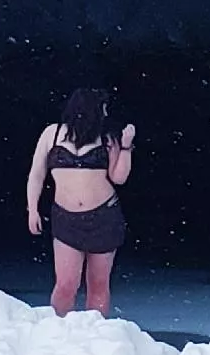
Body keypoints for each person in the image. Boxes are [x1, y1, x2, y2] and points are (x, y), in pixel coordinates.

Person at [24, 84, 136, 317]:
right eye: (103, 108)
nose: (106, 113)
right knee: (65, 285)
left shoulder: (107, 137)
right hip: (66, 219)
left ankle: (95, 338)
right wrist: (32, 209)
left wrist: (125, 146)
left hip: (104, 216)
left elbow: (119, 177)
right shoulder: (52, 133)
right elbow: (36, 173)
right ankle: (58, 334)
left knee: (98, 285)